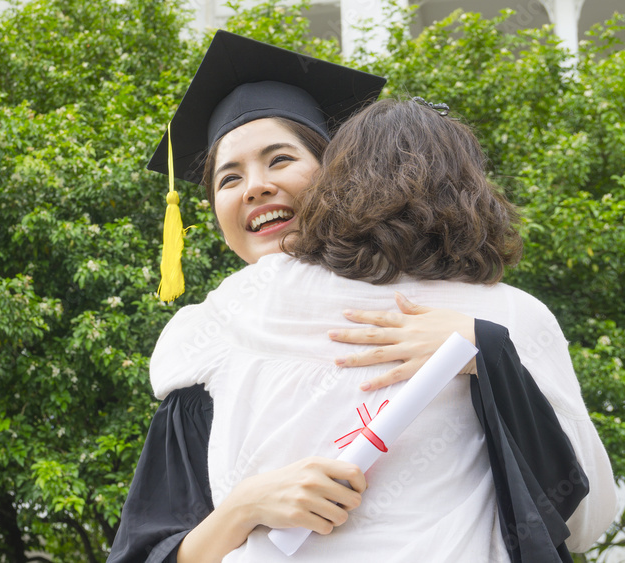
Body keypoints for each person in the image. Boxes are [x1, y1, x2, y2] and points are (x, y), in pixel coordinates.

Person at [107, 31, 617, 563]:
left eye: (280, 159)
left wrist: (486, 351)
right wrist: (244, 507)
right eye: (228, 178)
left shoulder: (501, 315)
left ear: (339, 174)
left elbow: (575, 517)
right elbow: (147, 551)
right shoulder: (217, 333)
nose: (254, 187)